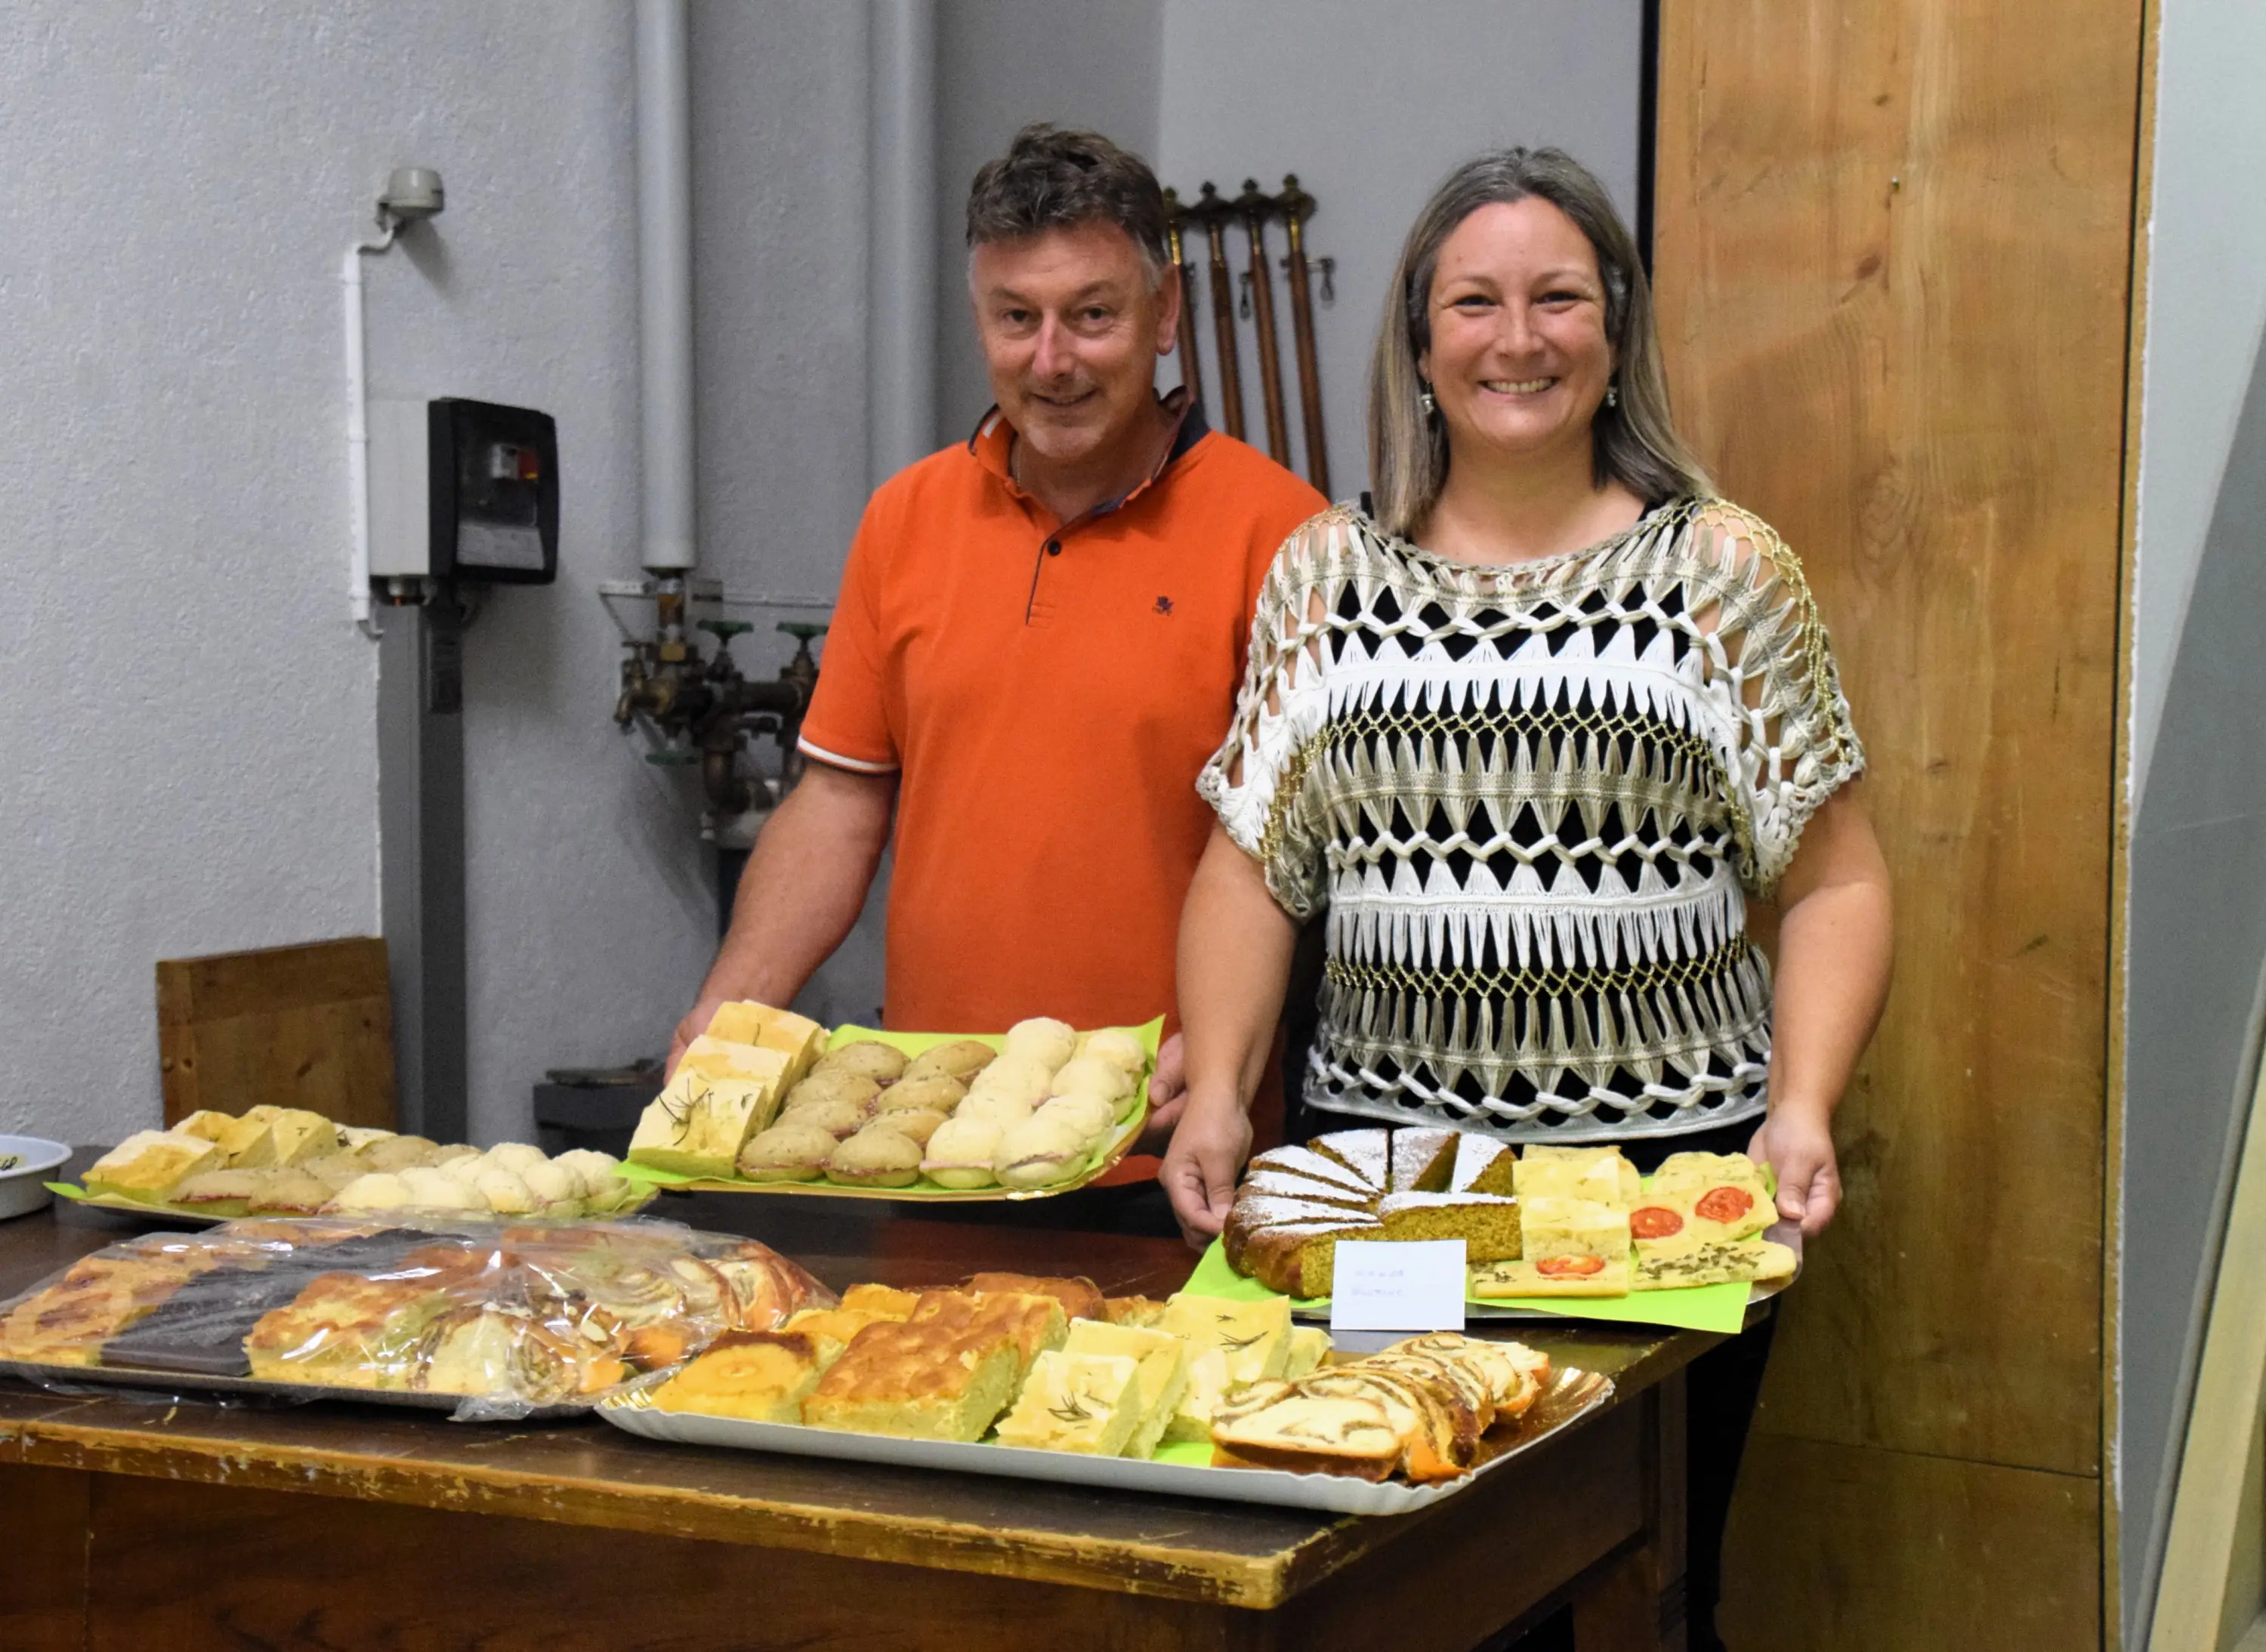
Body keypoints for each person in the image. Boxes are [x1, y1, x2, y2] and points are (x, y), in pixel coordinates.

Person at [1162, 148, 1893, 1652]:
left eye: (1558, 297)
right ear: (1421, 347)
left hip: (1662, 1191)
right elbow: (1252, 863)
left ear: (1614, 330)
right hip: (1395, 1191)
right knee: (1413, 1576)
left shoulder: (1722, 568)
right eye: (1474, 301)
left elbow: (1836, 879)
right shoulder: (1324, 576)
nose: (1518, 337)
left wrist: (1802, 1105)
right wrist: (1222, 1094)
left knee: (1643, 1587)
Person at [671, 125, 1326, 1181]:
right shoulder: (907, 518)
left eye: (1093, 316)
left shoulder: (1287, 535)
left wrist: (1231, 1048)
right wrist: (731, 1004)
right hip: (934, 1136)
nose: (1051, 359)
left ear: (1164, 317)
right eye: (1016, 318)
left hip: (1170, 1135)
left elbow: (1302, 861)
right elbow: (839, 804)